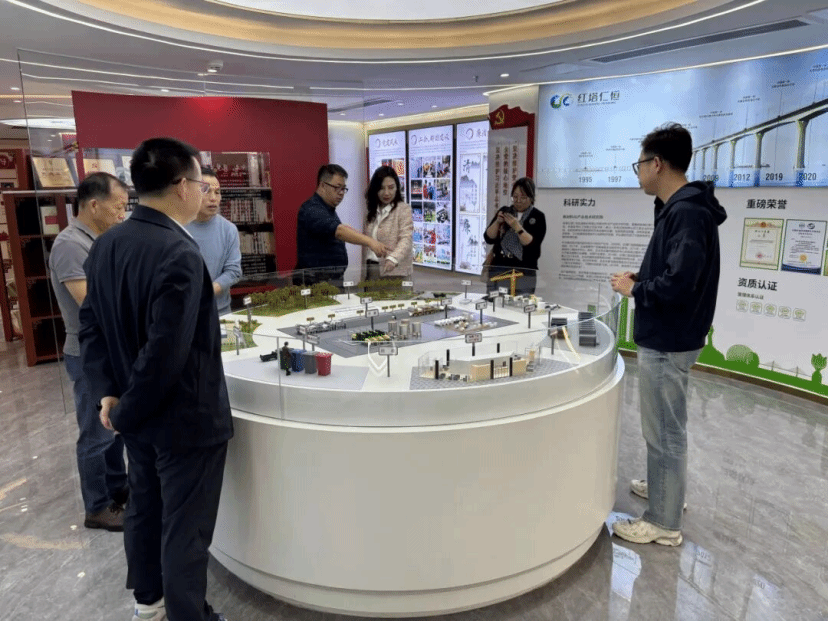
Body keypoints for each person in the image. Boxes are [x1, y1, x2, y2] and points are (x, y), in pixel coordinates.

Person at [79, 137, 232, 621]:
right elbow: (165, 355)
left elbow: (91, 327)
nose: (204, 192)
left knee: (145, 507)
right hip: (183, 419)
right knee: (186, 526)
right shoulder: (179, 252)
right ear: (182, 186)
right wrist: (124, 408)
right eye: (202, 183)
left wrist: (109, 395)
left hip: (136, 414)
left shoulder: (106, 244)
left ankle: (148, 601)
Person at [610, 122, 726, 546]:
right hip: (674, 333)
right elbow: (677, 272)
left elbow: (679, 284)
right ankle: (666, 490)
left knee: (663, 430)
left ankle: (663, 520)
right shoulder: (681, 208)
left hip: (668, 338)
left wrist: (636, 290)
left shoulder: (687, 212)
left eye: (640, 164)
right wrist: (642, 278)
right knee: (667, 426)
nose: (638, 172)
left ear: (657, 163)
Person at [49, 172, 129, 531]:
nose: (122, 214)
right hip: (87, 353)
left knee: (111, 426)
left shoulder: (99, 240)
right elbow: (91, 305)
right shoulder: (70, 245)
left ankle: (118, 488)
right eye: (118, 207)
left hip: (108, 349)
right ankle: (96, 507)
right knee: (95, 434)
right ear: (94, 205)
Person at [294, 164, 389, 285]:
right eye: (337, 187)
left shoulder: (328, 209)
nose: (341, 193)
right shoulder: (312, 209)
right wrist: (371, 242)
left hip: (331, 280)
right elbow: (339, 231)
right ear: (322, 186)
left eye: (344, 189)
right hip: (316, 283)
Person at [185, 166, 241, 316]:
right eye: (206, 191)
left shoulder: (229, 229)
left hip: (220, 312)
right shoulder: (177, 227)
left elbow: (234, 271)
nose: (213, 198)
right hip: (185, 313)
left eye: (217, 192)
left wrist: (207, 291)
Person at [483, 177, 547, 294]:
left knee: (520, 303)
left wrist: (517, 227)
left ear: (531, 197)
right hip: (499, 268)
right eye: (515, 197)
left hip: (524, 272)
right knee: (495, 302)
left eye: (523, 197)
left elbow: (532, 245)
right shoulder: (505, 211)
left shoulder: (538, 216)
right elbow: (488, 238)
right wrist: (497, 222)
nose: (518, 201)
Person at [363, 166, 413, 280]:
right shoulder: (371, 211)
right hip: (372, 269)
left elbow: (406, 238)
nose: (386, 193)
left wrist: (393, 258)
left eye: (391, 188)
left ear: (397, 188)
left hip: (395, 271)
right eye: (381, 188)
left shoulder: (403, 209)